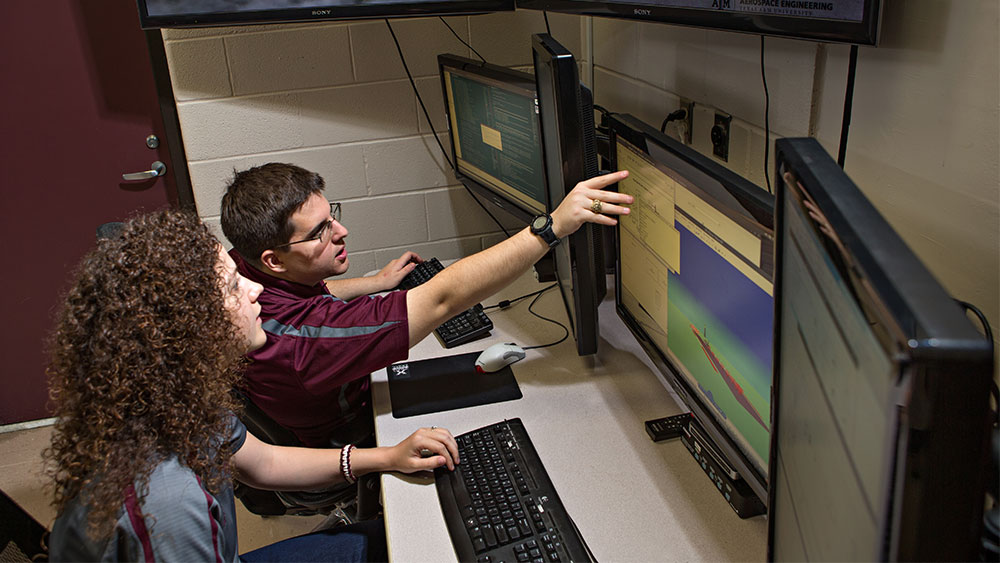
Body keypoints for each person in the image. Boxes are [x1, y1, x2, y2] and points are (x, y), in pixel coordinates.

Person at [44, 210, 459, 562]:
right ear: (188, 326)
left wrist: (385, 457)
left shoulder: (174, 398)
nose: (255, 288)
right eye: (231, 286)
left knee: (385, 541)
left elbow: (264, 464)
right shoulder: (166, 503)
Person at [220, 163, 632, 449]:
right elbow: (442, 299)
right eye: (321, 232)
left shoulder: (245, 271)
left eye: (333, 216)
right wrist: (552, 227)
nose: (342, 232)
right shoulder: (300, 345)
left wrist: (374, 285)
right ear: (274, 258)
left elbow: (304, 294)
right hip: (351, 436)